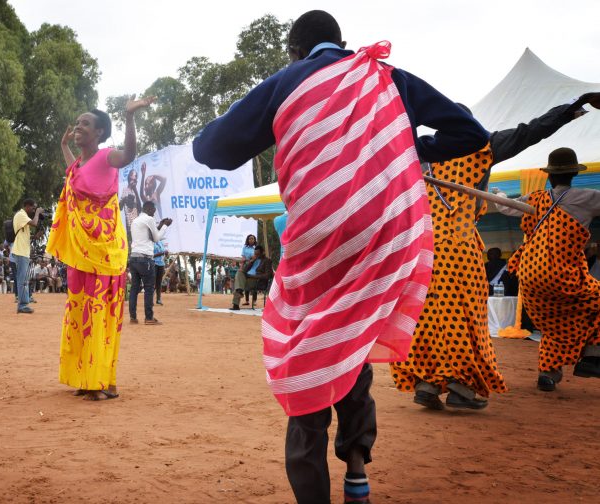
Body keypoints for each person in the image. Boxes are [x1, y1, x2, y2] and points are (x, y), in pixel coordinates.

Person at [192, 11, 489, 503]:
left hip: (320, 243)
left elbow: (212, 150)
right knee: (352, 332)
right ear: (343, 43)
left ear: (293, 50)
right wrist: (404, 147)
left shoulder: (286, 82)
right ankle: (356, 468)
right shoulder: (386, 77)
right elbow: (470, 133)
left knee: (308, 345)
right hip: (384, 239)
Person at [392, 95, 600, 410]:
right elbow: (533, 130)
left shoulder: (417, 153)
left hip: (422, 248)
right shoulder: (481, 146)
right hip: (460, 248)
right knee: (466, 317)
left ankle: (428, 382)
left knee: (429, 317)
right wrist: (575, 105)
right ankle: (461, 387)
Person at [47, 95, 154, 401]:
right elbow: (75, 176)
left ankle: (104, 381)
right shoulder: (80, 163)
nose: (79, 126)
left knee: (100, 315)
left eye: (86, 124)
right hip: (82, 254)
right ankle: (87, 376)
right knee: (81, 313)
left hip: (105, 252)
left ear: (100, 134)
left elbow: (130, 154)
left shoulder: (107, 156)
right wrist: (64, 146)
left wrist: (130, 117)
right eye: (78, 122)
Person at [497, 147, 600, 391]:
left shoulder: (535, 199)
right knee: (596, 300)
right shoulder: (587, 198)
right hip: (562, 275)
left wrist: (498, 192)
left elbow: (504, 206)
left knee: (552, 323)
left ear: (549, 176)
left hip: (529, 275)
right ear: (573, 174)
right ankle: (593, 357)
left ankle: (548, 374)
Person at [129, 201, 172, 325]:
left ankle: (133, 317)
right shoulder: (149, 219)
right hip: (145, 259)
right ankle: (149, 318)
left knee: (134, 288)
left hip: (134, 258)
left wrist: (160, 225)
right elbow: (156, 238)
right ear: (148, 208)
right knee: (149, 288)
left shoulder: (136, 221)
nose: (154, 213)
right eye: (153, 210)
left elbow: (150, 236)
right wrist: (165, 226)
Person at [12, 199, 44, 313]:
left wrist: (35, 236)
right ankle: (22, 305)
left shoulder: (23, 217)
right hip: (20, 252)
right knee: (22, 279)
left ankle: (23, 304)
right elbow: (35, 223)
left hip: (23, 252)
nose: (34, 210)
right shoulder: (21, 215)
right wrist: (38, 213)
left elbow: (25, 236)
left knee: (24, 279)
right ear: (27, 206)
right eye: (33, 208)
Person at [233, 235, 257, 307]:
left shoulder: (256, 248)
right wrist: (241, 267)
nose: (251, 240)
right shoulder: (245, 248)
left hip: (253, 267)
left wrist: (250, 259)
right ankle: (239, 292)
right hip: (246, 266)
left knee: (241, 279)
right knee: (239, 272)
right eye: (249, 239)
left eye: (252, 239)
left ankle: (239, 298)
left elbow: (255, 258)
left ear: (254, 240)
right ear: (247, 240)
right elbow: (243, 259)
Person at [153, 239, 167, 305]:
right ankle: (150, 299)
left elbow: (164, 253)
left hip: (161, 264)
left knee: (159, 282)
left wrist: (166, 253)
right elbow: (151, 255)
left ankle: (158, 299)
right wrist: (160, 254)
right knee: (153, 282)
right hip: (154, 263)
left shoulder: (161, 242)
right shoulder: (151, 242)